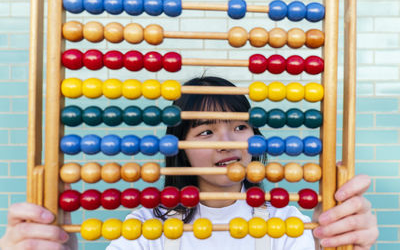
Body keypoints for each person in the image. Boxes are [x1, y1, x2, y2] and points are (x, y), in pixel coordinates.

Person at [0, 77, 378, 250]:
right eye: (206, 133)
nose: (228, 143)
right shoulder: (148, 225)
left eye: (240, 127)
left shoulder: (288, 222)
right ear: (178, 147)